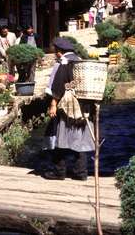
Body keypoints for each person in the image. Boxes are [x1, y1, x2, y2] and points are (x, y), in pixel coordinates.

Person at [42, 37, 94, 180]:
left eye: (55, 51)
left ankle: (59, 172)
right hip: (83, 106)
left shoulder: (64, 63)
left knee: (61, 138)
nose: (54, 54)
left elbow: (58, 86)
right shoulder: (80, 60)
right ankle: (81, 173)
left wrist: (53, 104)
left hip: (67, 107)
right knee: (79, 138)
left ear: (59, 52)